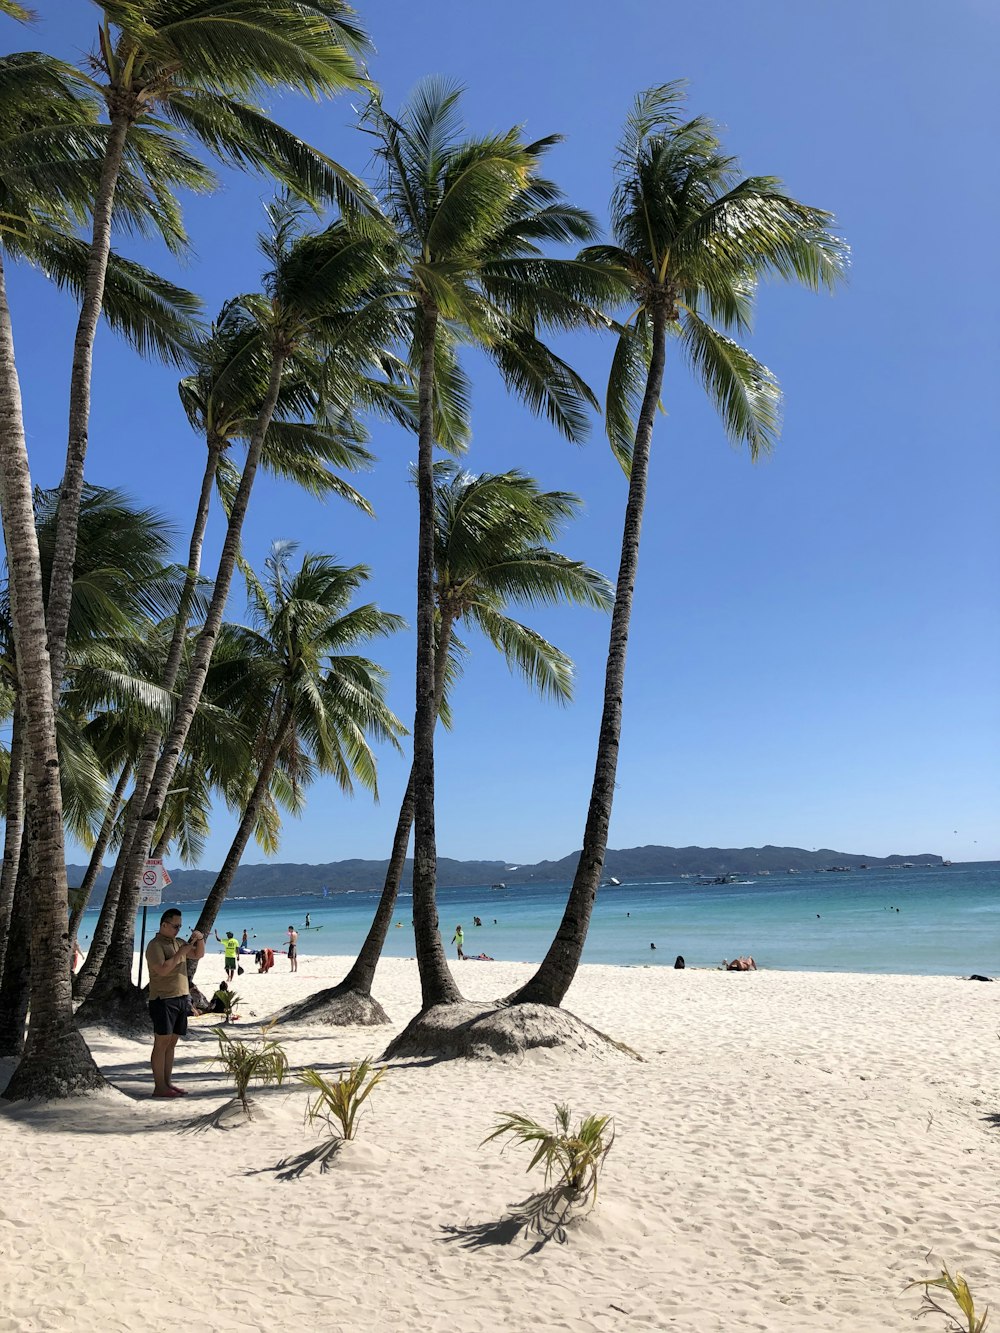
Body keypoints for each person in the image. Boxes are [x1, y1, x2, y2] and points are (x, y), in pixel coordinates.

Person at [145, 909, 205, 1098]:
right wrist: (180, 953)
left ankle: (167, 1083)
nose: (178, 930)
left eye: (180, 926)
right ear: (164, 925)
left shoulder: (178, 942)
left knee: (172, 1043)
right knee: (161, 1042)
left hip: (181, 997)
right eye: (175, 926)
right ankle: (159, 1086)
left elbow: (197, 955)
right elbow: (162, 970)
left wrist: (200, 939)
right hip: (163, 998)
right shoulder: (155, 946)